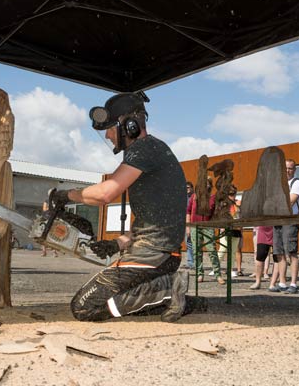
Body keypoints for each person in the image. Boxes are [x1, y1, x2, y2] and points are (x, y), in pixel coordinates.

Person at [50, 92, 190, 322]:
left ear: (129, 125)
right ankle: (181, 300)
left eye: (110, 128)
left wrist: (67, 195)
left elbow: (105, 193)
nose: (107, 135)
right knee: (126, 300)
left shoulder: (144, 149)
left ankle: (169, 287)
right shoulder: (155, 149)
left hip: (153, 255)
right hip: (162, 253)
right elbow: (154, 220)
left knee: (84, 307)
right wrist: (117, 243)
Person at [269, 159, 299, 294]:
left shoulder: (296, 183)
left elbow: (290, 201)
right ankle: (282, 282)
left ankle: (293, 283)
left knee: (291, 252)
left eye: (290, 168)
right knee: (279, 252)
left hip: (289, 220)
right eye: (285, 168)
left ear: (294, 170)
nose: (287, 171)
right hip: (277, 220)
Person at [187, 177, 225, 285]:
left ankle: (218, 275)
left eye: (207, 184)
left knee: (212, 250)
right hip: (194, 226)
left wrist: (220, 225)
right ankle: (200, 273)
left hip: (208, 227)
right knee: (196, 251)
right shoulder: (194, 197)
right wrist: (188, 227)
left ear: (210, 186)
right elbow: (188, 211)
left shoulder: (213, 198)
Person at [251, 225, 273, 290]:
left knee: (277, 257)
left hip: (276, 229)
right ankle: (257, 282)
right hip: (263, 230)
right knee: (260, 256)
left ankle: (273, 283)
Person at [184, 181, 195, 269]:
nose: (186, 189)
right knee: (188, 243)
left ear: (192, 188)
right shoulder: (183, 198)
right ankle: (190, 262)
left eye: (188, 187)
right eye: (185, 188)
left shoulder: (194, 197)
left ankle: (194, 262)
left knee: (193, 243)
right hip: (185, 223)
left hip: (193, 223)